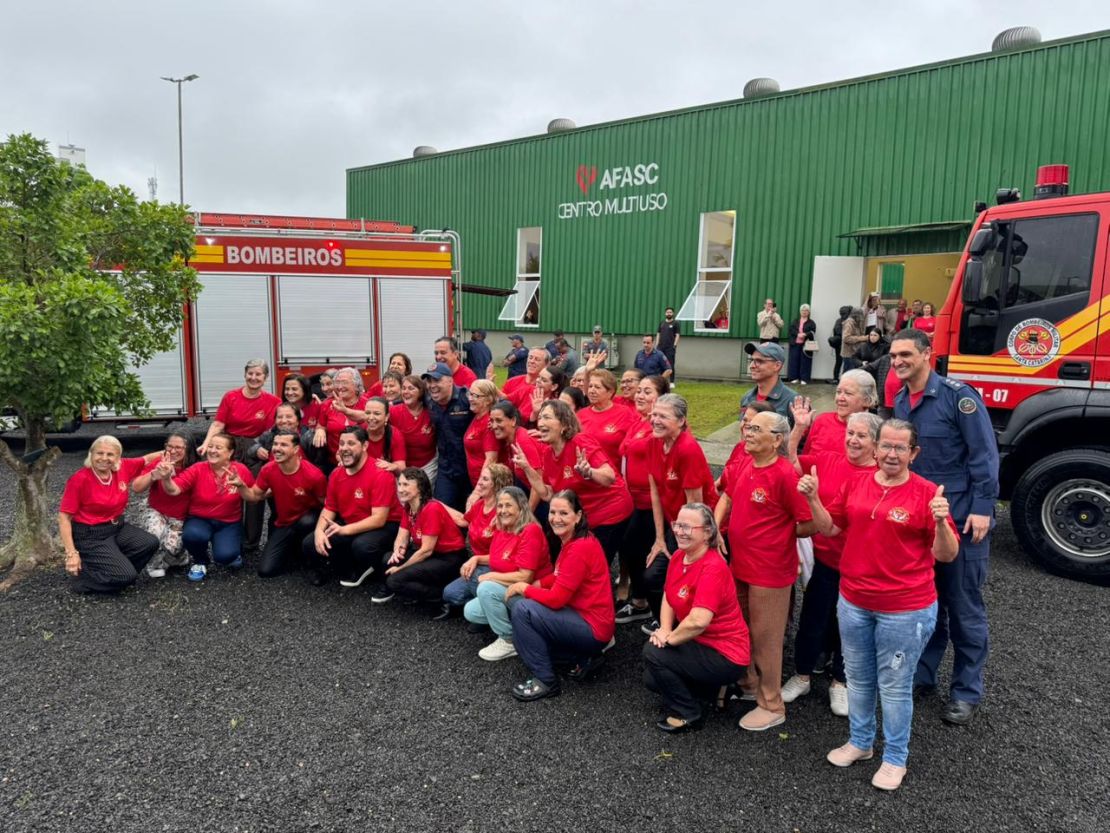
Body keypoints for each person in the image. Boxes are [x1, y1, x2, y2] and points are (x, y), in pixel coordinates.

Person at [799, 419, 959, 791]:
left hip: (904, 608)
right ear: (876, 448)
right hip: (854, 600)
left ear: (913, 453)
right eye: (886, 445)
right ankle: (861, 742)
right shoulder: (857, 483)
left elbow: (946, 554)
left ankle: (895, 758)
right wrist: (812, 499)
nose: (891, 454)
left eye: (900, 447)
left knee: (894, 686)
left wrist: (940, 522)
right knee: (858, 677)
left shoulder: (926, 494)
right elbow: (830, 528)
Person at [891, 328, 998, 726]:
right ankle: (923, 675)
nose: (898, 361)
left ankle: (966, 691)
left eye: (905, 354)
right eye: (893, 355)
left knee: (964, 607)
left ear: (927, 354)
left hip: (962, 519)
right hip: (920, 522)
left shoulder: (958, 398)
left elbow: (983, 454)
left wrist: (983, 507)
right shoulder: (901, 401)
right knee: (926, 603)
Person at [714, 411, 814, 731]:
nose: (748, 432)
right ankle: (750, 685)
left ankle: (772, 705)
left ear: (776, 440)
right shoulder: (747, 464)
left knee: (766, 640)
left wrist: (779, 534)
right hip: (741, 565)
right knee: (741, 628)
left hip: (770, 572)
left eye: (757, 429)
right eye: (748, 427)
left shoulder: (785, 474)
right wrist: (715, 529)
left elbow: (808, 522)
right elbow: (728, 496)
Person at [781, 412, 882, 716]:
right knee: (813, 619)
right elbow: (789, 462)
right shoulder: (827, 460)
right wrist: (799, 427)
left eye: (861, 436)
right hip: (825, 559)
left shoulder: (881, 476)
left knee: (850, 627)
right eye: (850, 433)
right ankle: (802, 676)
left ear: (875, 442)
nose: (853, 440)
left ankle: (840, 681)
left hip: (861, 567)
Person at [642, 503, 750, 732]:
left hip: (726, 653)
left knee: (653, 653)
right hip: (700, 643)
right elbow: (669, 596)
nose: (679, 531)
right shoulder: (678, 557)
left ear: (708, 532)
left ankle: (688, 713)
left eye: (687, 527)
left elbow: (699, 621)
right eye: (677, 525)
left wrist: (668, 640)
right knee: (652, 678)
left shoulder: (713, 568)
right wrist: (664, 628)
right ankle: (713, 691)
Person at [505, 490, 617, 701]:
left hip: (591, 626)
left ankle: (545, 680)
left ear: (578, 516)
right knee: (520, 605)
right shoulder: (576, 539)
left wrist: (525, 588)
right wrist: (538, 584)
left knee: (522, 609)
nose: (556, 518)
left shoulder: (579, 548)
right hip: (585, 618)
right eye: (553, 512)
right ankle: (581, 657)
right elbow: (560, 575)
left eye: (564, 513)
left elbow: (556, 599)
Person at [513, 399, 633, 568]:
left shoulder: (580, 442)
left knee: (593, 564)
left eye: (547, 417)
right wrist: (526, 468)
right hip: (583, 516)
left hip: (610, 511)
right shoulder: (548, 453)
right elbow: (547, 493)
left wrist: (589, 472)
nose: (540, 423)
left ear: (563, 425)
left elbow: (609, 477)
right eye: (540, 418)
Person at [638, 392, 719, 629]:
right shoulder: (653, 442)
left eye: (663, 416)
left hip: (697, 526)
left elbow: (696, 508)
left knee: (680, 578)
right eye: (654, 414)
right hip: (675, 523)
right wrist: (659, 539)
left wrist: (686, 549)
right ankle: (667, 625)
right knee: (652, 577)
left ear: (681, 421)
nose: (655, 420)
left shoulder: (688, 449)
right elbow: (655, 492)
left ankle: (681, 629)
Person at [197, 359, 282, 554]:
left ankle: (250, 543)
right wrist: (207, 443)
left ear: (265, 378)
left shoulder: (273, 402)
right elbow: (218, 424)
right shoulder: (231, 397)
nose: (254, 378)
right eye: (250, 373)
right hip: (231, 447)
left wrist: (261, 448)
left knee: (253, 496)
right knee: (227, 491)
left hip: (255, 449)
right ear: (245, 374)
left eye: (258, 374)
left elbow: (271, 431)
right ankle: (225, 537)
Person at [302, 425, 401, 589]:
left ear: (365, 446)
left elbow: (379, 519)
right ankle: (348, 564)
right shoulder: (336, 474)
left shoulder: (380, 474)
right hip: (351, 523)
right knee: (310, 543)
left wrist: (344, 530)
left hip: (385, 526)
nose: (344, 448)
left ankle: (379, 570)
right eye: (341, 444)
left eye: (351, 443)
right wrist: (319, 531)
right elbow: (329, 508)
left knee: (362, 546)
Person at [58, 436, 159, 593]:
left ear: (118, 457)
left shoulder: (123, 467)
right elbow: (64, 518)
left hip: (116, 527)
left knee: (149, 543)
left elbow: (146, 459)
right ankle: (84, 580)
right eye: (99, 453)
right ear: (91, 454)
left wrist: (174, 451)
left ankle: (117, 572)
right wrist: (71, 554)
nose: (104, 458)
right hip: (90, 535)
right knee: (125, 576)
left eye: (110, 454)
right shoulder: (79, 479)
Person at [463, 486, 551, 660]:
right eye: (500, 506)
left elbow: (525, 576)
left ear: (521, 507)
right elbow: (500, 558)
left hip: (532, 592)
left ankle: (509, 640)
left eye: (508, 505)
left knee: (486, 588)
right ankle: (522, 627)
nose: (503, 510)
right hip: (511, 588)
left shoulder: (530, 530)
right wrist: (477, 558)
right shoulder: (503, 528)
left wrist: (490, 576)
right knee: (471, 611)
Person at [156, 433, 255, 582]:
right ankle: (200, 561)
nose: (212, 450)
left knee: (225, 557)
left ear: (230, 452)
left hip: (228, 522)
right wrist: (166, 478)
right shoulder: (198, 468)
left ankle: (228, 551)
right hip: (200, 519)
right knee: (192, 536)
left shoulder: (240, 469)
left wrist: (241, 486)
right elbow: (174, 490)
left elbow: (252, 497)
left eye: (218, 447)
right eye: (210, 446)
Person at [231, 429, 326, 578]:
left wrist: (323, 531)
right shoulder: (268, 469)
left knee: (306, 522)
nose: (277, 448)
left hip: (309, 522)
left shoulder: (313, 475)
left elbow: (327, 505)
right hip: (285, 523)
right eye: (275, 444)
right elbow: (254, 496)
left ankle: (310, 559)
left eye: (283, 445)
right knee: (265, 571)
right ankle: (293, 552)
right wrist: (241, 486)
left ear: (296, 449)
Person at [616, 375, 669, 619]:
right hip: (635, 500)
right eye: (639, 391)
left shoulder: (659, 427)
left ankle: (660, 612)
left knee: (651, 556)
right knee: (631, 548)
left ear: (661, 398)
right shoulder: (639, 421)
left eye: (647, 392)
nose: (639, 395)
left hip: (654, 503)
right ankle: (640, 602)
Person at [438, 463, 515, 619]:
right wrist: (437, 504)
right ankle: (485, 609)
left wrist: (476, 559)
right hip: (477, 564)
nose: (479, 482)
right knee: (450, 594)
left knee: (474, 578)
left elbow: (503, 555)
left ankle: (495, 613)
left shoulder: (504, 513)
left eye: (485, 479)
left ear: (497, 484)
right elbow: (462, 520)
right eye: (480, 477)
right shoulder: (480, 505)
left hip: (496, 566)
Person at [381, 467, 468, 605]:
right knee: (389, 559)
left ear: (420, 488)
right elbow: (401, 536)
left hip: (448, 558)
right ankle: (416, 590)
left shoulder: (431, 508)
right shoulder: (409, 507)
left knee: (394, 580)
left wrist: (400, 569)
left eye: (406, 485)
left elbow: (426, 551)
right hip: (431, 554)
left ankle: (440, 597)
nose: (400, 489)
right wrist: (398, 550)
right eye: (400, 484)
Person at [132, 430, 195, 578]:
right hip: (157, 510)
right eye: (169, 446)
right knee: (154, 536)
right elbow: (136, 487)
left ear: (188, 448)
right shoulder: (159, 462)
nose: (172, 451)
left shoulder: (195, 467)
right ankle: (154, 564)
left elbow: (174, 490)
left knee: (172, 546)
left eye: (178, 447)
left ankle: (178, 556)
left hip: (181, 517)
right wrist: (153, 474)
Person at [423, 362, 474, 511]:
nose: (432, 385)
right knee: (440, 510)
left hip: (469, 470)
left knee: (471, 512)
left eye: (437, 380)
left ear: (451, 381)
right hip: (446, 469)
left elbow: (494, 405)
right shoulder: (428, 400)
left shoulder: (467, 398)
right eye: (429, 381)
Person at [791, 369, 878, 457]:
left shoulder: (875, 431)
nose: (840, 398)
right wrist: (799, 428)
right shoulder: (822, 421)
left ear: (867, 400)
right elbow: (802, 459)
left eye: (848, 393)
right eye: (838, 392)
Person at [578, 369, 639, 470]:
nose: (592, 391)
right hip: (585, 473)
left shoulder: (625, 413)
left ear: (610, 392)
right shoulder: (581, 415)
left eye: (597, 387)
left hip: (614, 474)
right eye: (590, 386)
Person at [313, 367, 369, 470]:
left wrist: (345, 410)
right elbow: (321, 424)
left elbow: (369, 417)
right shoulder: (327, 404)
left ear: (356, 386)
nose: (339, 386)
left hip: (362, 462)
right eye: (337, 382)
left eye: (344, 382)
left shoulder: (367, 403)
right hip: (334, 463)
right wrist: (320, 430)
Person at [488, 400, 543, 498]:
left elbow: (538, 482)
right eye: (492, 421)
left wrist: (528, 508)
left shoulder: (523, 440)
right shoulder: (511, 440)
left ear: (513, 421)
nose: (494, 426)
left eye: (499, 421)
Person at [392, 375, 438, 485]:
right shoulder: (393, 412)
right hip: (401, 468)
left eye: (411, 388)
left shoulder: (431, 412)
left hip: (428, 466)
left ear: (421, 391)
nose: (406, 392)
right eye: (403, 388)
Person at [740, 342, 797, 424]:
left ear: (777, 366)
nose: (752, 366)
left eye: (759, 361)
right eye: (752, 360)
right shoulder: (747, 397)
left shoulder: (793, 401)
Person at [463, 380, 501, 488]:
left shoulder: (489, 424)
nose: (470, 398)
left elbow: (491, 460)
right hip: (475, 481)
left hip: (487, 485)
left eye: (476, 396)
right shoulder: (477, 417)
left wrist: (479, 488)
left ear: (488, 400)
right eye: (470, 394)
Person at [362, 396, 407, 473]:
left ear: (386, 417)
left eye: (377, 413)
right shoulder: (358, 432)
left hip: (385, 475)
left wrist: (393, 466)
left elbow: (402, 467)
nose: (371, 417)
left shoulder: (394, 434)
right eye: (368, 413)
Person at [786, 304, 818, 385]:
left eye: (806, 310)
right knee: (794, 361)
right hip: (795, 344)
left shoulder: (811, 322)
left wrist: (805, 334)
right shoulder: (795, 321)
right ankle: (794, 378)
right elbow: (791, 330)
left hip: (806, 345)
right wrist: (798, 334)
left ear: (809, 312)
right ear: (800, 312)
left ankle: (804, 378)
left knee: (805, 362)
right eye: (803, 310)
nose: (804, 312)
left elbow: (813, 332)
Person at [838, 307, 869, 372]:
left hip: (854, 352)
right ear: (856, 315)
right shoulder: (849, 323)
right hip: (849, 353)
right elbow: (846, 338)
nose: (861, 318)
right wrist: (863, 338)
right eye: (860, 316)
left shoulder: (855, 322)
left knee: (851, 373)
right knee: (849, 373)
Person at [656, 306, 680, 383]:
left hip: (670, 348)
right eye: (667, 312)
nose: (669, 314)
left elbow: (677, 335)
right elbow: (658, 334)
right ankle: (660, 380)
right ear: (665, 313)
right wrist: (657, 345)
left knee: (670, 365)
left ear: (673, 313)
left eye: (670, 312)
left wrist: (674, 345)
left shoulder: (676, 323)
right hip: (660, 347)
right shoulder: (662, 323)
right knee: (660, 364)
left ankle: (671, 382)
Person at [828, 305, 851, 382]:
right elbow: (838, 331)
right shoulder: (842, 321)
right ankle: (838, 378)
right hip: (842, 344)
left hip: (843, 344)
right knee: (842, 362)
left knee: (841, 362)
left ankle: (838, 378)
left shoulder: (841, 321)